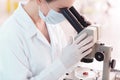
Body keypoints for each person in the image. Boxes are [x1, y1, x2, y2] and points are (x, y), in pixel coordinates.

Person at [0, 0, 94, 80]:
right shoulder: (10, 34)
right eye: (62, 10)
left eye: (69, 9)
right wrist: (63, 63)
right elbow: (62, 64)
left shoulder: (50, 23)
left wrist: (78, 50)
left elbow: (64, 70)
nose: (65, 16)